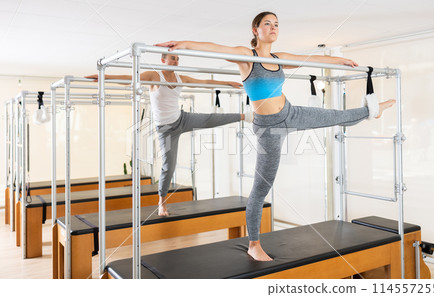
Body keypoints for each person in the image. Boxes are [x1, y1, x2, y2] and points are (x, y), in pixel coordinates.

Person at [155, 11, 396, 261]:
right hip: (268, 126)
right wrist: (181, 44)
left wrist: (339, 62)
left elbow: (309, 58)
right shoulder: (247, 57)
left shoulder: (279, 58)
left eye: (276, 24)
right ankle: (253, 244)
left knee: (334, 115)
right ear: (255, 30)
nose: (273, 28)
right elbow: (215, 47)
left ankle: (371, 112)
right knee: (261, 189)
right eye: (267, 24)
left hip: (290, 112)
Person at [86, 53, 251, 216]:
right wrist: (105, 77)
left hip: (182, 118)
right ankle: (161, 202)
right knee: (168, 166)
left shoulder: (181, 78)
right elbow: (130, 78)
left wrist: (227, 83)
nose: (176, 61)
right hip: (165, 129)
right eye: (173, 58)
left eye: (178, 59)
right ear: (163, 60)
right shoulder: (153, 75)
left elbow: (205, 82)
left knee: (209, 119)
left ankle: (245, 116)